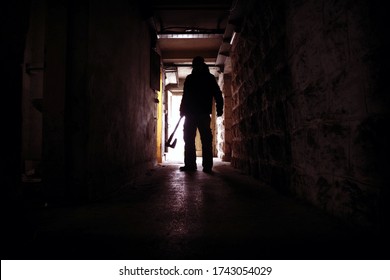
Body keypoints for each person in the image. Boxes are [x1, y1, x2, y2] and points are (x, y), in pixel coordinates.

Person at [179, 56, 224, 173]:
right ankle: (193, 165)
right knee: (191, 139)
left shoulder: (207, 78)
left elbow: (218, 94)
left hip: (201, 114)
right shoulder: (194, 78)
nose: (196, 66)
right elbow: (185, 96)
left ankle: (205, 166)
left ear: (201, 65)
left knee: (204, 140)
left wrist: (220, 108)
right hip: (194, 114)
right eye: (195, 64)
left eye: (197, 64)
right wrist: (182, 110)